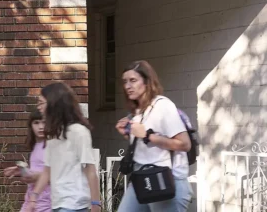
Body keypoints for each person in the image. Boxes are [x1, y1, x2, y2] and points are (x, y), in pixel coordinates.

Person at [113, 61, 192, 212]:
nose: (127, 86)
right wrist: (128, 134)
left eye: (133, 80)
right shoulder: (137, 112)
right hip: (141, 179)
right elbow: (146, 148)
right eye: (125, 82)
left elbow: (184, 144)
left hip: (166, 182)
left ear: (147, 82)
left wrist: (148, 136)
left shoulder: (163, 106)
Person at [25, 82, 101, 212]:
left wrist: (96, 204)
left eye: (41, 103)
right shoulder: (52, 135)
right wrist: (33, 198)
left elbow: (90, 171)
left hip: (75, 204)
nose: (39, 108)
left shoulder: (79, 132)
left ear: (54, 104)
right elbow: (47, 171)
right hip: (58, 203)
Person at [4, 108, 51, 212]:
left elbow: (56, 174)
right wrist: (22, 170)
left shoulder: (51, 146)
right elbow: (38, 170)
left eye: (44, 122)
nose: (41, 127)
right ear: (31, 126)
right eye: (36, 123)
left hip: (46, 202)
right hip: (31, 200)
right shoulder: (35, 147)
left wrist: (36, 176)